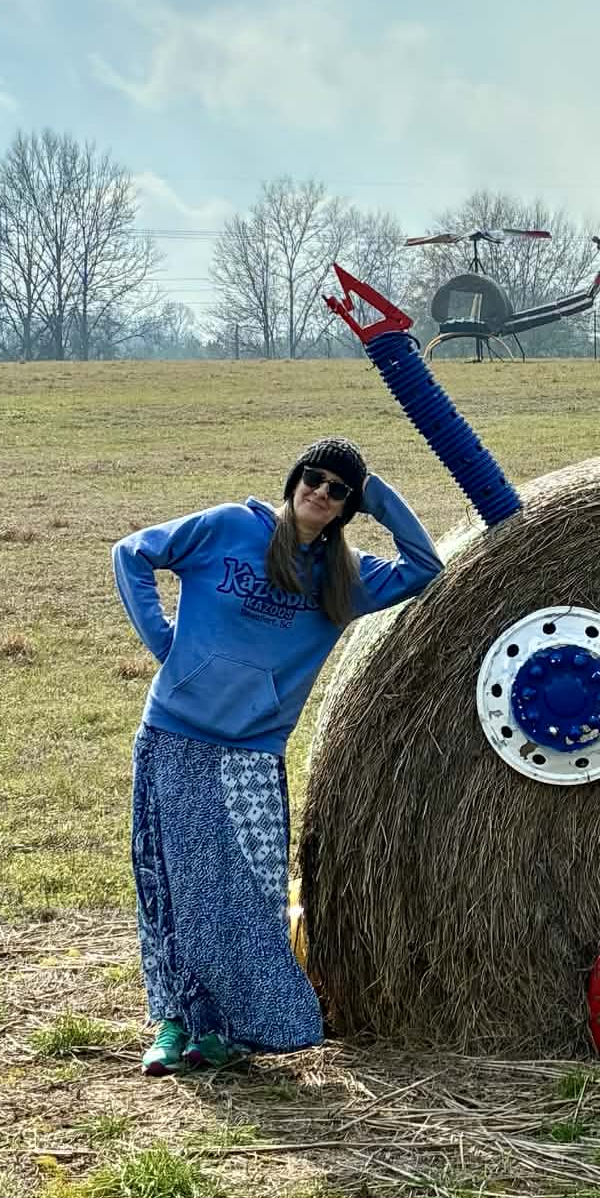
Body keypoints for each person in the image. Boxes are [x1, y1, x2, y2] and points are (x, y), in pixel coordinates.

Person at [113, 437, 442, 1077]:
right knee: (173, 887)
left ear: (347, 507)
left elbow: (424, 566)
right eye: (314, 479)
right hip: (176, 733)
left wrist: (378, 497)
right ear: (294, 480)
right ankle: (176, 1020)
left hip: (255, 752)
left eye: (338, 489)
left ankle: (224, 1031)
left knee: (248, 895)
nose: (321, 492)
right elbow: (133, 553)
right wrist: (166, 645)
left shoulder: (344, 580)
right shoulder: (229, 527)